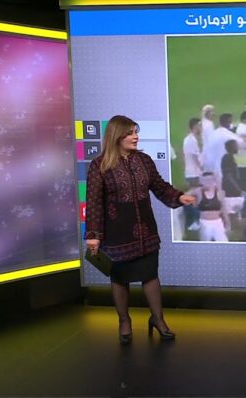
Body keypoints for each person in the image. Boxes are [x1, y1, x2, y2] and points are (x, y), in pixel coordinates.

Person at [85, 115, 195, 344]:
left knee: (150, 275)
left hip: (146, 231)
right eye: (130, 133)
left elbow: (159, 186)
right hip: (116, 233)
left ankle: (158, 320)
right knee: (120, 279)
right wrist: (93, 235)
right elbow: (93, 202)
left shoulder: (144, 160)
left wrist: (178, 196)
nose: (135, 137)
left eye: (136, 132)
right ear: (117, 136)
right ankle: (124, 322)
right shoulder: (99, 165)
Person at [192, 172, 230, 242]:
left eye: (210, 180)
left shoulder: (219, 192)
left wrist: (227, 223)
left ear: (214, 181)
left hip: (217, 222)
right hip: (204, 222)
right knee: (205, 243)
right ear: (202, 181)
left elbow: (224, 209)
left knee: (223, 242)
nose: (208, 182)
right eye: (205, 180)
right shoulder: (198, 191)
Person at [202, 113, 240, 179]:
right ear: (227, 123)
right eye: (230, 122)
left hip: (212, 167)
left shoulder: (212, 134)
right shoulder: (228, 134)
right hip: (224, 168)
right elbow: (239, 146)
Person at [182, 117, 203, 231]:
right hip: (194, 173)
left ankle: (191, 222)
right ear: (195, 126)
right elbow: (195, 158)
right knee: (195, 198)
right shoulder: (191, 141)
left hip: (191, 173)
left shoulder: (189, 139)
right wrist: (203, 170)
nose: (201, 128)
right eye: (199, 126)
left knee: (193, 197)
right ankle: (195, 222)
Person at [221, 139, 244, 220]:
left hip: (234, 190)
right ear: (232, 147)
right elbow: (228, 176)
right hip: (231, 191)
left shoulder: (231, 157)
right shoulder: (228, 158)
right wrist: (238, 188)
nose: (238, 148)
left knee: (237, 214)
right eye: (236, 146)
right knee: (232, 214)